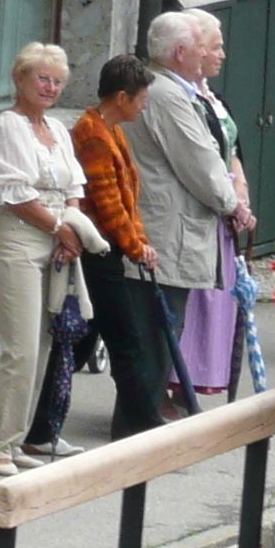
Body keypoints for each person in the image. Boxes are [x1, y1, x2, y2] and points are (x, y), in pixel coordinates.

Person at [0, 42, 95, 475]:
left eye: (57, 81)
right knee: (21, 349)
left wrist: (71, 230)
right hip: (19, 238)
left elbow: (74, 189)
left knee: (45, 347)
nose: (50, 87)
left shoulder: (59, 130)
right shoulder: (7, 126)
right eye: (42, 78)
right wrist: (58, 227)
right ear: (21, 80)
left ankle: (17, 438)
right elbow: (15, 193)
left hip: (55, 238)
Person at [131, 11, 240, 394]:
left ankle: (146, 414)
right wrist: (233, 205)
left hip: (170, 227)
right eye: (201, 47)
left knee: (163, 327)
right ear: (180, 52)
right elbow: (200, 164)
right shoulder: (167, 95)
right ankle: (142, 419)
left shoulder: (171, 91)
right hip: (168, 230)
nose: (211, 55)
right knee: (162, 330)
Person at [72, 55, 175, 440]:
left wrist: (140, 241)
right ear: (121, 96)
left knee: (90, 340)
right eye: (141, 96)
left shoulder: (111, 130)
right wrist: (136, 247)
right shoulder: (96, 135)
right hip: (97, 252)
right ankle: (140, 422)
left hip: (106, 249)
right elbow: (108, 202)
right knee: (126, 341)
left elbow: (128, 198)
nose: (145, 103)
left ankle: (47, 413)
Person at [180, 15, 258, 404]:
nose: (222, 54)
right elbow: (202, 162)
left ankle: (202, 380)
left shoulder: (214, 99)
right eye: (215, 47)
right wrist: (231, 203)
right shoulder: (185, 102)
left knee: (219, 300)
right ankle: (178, 385)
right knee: (196, 301)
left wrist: (242, 196)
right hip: (203, 214)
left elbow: (233, 153)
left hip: (225, 212)